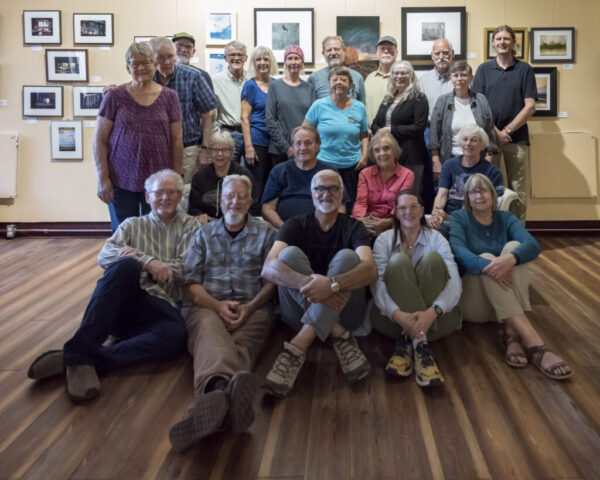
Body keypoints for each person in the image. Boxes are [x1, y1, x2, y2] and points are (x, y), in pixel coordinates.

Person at [27, 170, 198, 401]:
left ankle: (80, 357)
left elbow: (188, 267)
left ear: (179, 197)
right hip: (123, 305)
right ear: (148, 197)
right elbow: (105, 256)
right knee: (124, 266)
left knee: (176, 336)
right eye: (159, 192)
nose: (165, 198)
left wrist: (140, 258)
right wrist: (148, 262)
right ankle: (82, 354)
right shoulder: (132, 225)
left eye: (171, 192)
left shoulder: (191, 227)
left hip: (161, 305)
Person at [169, 175, 276, 451]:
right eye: (229, 196)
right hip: (208, 305)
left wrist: (251, 307)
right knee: (210, 336)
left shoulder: (267, 234)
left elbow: (273, 281)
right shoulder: (203, 234)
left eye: (241, 196)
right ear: (220, 201)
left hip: (253, 308)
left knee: (244, 344)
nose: (234, 202)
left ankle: (212, 400)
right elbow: (190, 282)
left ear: (250, 202)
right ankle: (224, 396)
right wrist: (216, 306)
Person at [261, 170, 378, 397]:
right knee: (288, 256)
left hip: (348, 314)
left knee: (348, 258)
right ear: (311, 194)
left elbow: (370, 270)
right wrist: (309, 283)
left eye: (333, 188)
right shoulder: (295, 224)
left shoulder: (354, 227)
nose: (326, 193)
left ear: (342, 194)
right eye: (320, 188)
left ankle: (298, 345)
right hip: (298, 313)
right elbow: (268, 267)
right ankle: (339, 336)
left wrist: (332, 284)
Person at [450, 174, 572, 380]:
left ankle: (512, 333)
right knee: (487, 257)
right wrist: (493, 265)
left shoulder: (506, 218)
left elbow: (533, 245)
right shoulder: (459, 218)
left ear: (492, 195)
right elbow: (460, 252)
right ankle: (534, 343)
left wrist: (510, 259)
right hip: (475, 306)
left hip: (503, 303)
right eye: (474, 192)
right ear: (467, 198)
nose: (479, 196)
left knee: (515, 247)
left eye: (484, 190)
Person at [371, 189, 462, 387]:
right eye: (402, 208)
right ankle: (421, 345)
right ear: (396, 212)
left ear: (422, 211)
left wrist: (433, 312)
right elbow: (377, 285)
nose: (408, 212)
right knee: (398, 261)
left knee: (432, 259)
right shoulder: (383, 240)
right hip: (392, 320)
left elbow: (454, 280)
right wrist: (397, 315)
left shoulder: (437, 239)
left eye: (414, 207)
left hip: (436, 320)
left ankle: (406, 342)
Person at [94, 42, 183, 232]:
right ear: (128, 68)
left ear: (155, 65)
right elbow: (100, 140)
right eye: (135, 64)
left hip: (159, 181)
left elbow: (177, 140)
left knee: (157, 232)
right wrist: (103, 178)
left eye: (146, 62)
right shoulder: (114, 96)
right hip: (121, 179)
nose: (141, 67)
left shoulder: (170, 97)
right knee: (124, 233)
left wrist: (176, 178)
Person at [472, 25, 538, 222]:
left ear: (513, 42)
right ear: (493, 43)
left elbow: (530, 106)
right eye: (498, 39)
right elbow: (477, 106)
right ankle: (490, 230)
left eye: (506, 39)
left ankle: (518, 234)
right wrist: (495, 132)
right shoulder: (484, 69)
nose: (502, 42)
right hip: (488, 140)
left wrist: (507, 130)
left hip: (517, 139)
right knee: (487, 187)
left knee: (519, 190)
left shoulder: (524, 69)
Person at [150, 37, 217, 182]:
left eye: (170, 56)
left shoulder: (193, 77)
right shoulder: (148, 79)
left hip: (187, 150)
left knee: (183, 190)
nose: (167, 62)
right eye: (161, 58)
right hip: (156, 151)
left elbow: (208, 115)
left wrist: (205, 149)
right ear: (152, 59)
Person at [372, 61, 433, 212]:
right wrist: (379, 131)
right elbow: (375, 123)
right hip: (389, 156)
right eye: (396, 73)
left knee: (410, 196)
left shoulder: (418, 98)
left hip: (411, 156)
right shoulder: (388, 98)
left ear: (411, 75)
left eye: (404, 73)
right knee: (391, 197)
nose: (399, 76)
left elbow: (419, 127)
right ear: (391, 76)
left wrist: (391, 130)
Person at [303, 66, 369, 206]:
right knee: (325, 204)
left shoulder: (359, 107)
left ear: (350, 85)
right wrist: (312, 152)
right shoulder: (319, 105)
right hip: (324, 164)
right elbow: (305, 132)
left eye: (343, 80)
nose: (339, 82)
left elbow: (364, 135)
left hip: (353, 166)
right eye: (335, 79)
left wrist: (364, 156)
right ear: (329, 83)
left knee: (350, 206)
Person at [262, 126, 348, 229]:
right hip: (285, 229)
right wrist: (285, 229)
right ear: (292, 147)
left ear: (317, 146)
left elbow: (341, 206)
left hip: (323, 230)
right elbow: (267, 209)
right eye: (298, 143)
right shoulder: (279, 171)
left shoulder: (329, 172)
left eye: (308, 143)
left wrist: (329, 228)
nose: (303, 148)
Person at [428, 125, 504, 235]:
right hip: (448, 217)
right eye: (465, 139)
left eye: (474, 140)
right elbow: (441, 195)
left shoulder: (492, 172)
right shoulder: (449, 165)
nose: (468, 143)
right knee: (429, 226)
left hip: (475, 220)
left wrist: (450, 218)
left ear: (482, 145)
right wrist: (437, 213)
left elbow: (491, 206)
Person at [429, 61, 497, 180]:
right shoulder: (442, 101)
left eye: (464, 75)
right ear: (450, 78)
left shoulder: (481, 100)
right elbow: (434, 134)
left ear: (471, 78)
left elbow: (489, 131)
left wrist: (489, 157)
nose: (459, 79)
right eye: (455, 75)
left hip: (478, 162)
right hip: (450, 161)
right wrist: (436, 161)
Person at [352, 132, 414, 236]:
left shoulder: (407, 175)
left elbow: (402, 205)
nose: (382, 153)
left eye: (386, 148)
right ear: (373, 154)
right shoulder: (365, 174)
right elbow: (361, 202)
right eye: (377, 150)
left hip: (395, 223)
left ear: (394, 150)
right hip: (368, 222)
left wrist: (389, 222)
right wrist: (361, 220)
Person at [188, 130, 258, 223]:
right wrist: (200, 214)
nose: (220, 154)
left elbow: (253, 207)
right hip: (208, 225)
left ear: (232, 151)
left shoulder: (244, 175)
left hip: (237, 223)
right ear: (209, 152)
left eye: (225, 150)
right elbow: (193, 208)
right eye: (215, 149)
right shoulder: (199, 177)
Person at [265, 46, 315, 164]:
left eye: (297, 58)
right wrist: (286, 148)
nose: (293, 62)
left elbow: (313, 120)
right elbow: (270, 119)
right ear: (285, 62)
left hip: (304, 149)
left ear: (302, 62)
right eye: (290, 58)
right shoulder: (275, 86)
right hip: (280, 150)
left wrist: (302, 146)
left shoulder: (309, 88)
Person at [241, 46, 278, 202]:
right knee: (257, 186)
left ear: (271, 62)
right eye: (258, 59)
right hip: (257, 142)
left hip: (275, 143)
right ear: (254, 63)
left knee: (274, 184)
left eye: (266, 59)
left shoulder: (277, 85)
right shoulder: (250, 85)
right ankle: (256, 214)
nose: (262, 62)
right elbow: (244, 118)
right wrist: (248, 147)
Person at [213, 41, 249, 163]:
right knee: (229, 172)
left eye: (240, 54)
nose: (236, 58)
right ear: (225, 58)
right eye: (232, 54)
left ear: (246, 58)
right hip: (228, 134)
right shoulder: (215, 81)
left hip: (251, 134)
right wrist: (217, 135)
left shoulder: (253, 79)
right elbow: (212, 113)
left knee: (253, 172)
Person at [308, 35, 366, 102]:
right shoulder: (314, 78)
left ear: (344, 51)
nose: (333, 53)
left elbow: (362, 105)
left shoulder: (357, 77)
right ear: (323, 53)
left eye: (336, 49)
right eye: (329, 50)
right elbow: (310, 106)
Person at [418, 38, 454, 134]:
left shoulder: (460, 79)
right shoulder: (422, 81)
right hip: (429, 130)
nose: (441, 57)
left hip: (454, 131)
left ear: (452, 54)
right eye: (437, 53)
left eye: (445, 53)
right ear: (432, 56)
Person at [365, 36, 398, 126]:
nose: (386, 51)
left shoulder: (404, 78)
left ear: (396, 53)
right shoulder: (370, 78)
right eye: (382, 48)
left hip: (396, 132)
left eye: (390, 49)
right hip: (371, 132)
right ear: (377, 53)